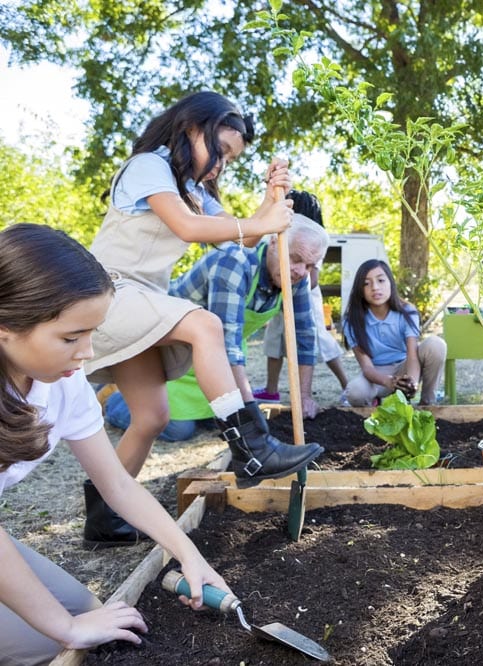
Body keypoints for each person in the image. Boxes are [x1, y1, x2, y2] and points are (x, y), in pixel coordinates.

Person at [85, 91, 322, 545]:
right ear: (193, 128)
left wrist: (272, 203)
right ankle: (251, 447)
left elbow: (244, 239)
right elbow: (190, 229)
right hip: (109, 294)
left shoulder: (193, 190)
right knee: (204, 323)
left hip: (144, 300)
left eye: (231, 159)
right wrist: (258, 223)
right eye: (222, 150)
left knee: (153, 415)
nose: (221, 165)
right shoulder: (148, 167)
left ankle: (104, 518)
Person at [0, 223, 232, 665]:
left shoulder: (62, 384)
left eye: (93, 333)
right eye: (71, 337)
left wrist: (188, 554)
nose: (87, 352)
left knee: (98, 618)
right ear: (5, 327)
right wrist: (64, 628)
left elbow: (118, 486)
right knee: (54, 643)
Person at [102, 212, 329, 440]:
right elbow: (227, 344)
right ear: (273, 243)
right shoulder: (234, 261)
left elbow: (304, 336)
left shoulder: (296, 277)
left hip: (212, 361)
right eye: (296, 258)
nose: (301, 271)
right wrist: (249, 416)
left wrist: (304, 396)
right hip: (168, 350)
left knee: (220, 421)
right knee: (178, 429)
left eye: (310, 265)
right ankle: (117, 398)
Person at [254, 190, 350, 405]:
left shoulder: (314, 239)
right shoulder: (286, 235)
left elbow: (312, 279)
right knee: (275, 339)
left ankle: (347, 385)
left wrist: (297, 277)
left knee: (318, 339)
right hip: (280, 293)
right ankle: (271, 389)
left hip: (304, 295)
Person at [342, 259, 446, 407]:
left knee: (436, 345)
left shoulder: (407, 312)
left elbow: (412, 355)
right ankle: (375, 401)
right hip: (377, 376)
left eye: (381, 280)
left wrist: (411, 383)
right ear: (360, 289)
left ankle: (427, 403)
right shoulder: (352, 320)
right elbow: (367, 367)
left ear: (390, 283)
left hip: (405, 366)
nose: (375, 287)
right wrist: (388, 381)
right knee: (355, 392)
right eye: (366, 283)